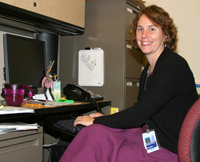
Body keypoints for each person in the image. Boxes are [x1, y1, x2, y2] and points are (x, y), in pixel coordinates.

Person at [59, 5, 199, 162]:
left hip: (169, 148)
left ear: (165, 35)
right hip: (150, 136)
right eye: (140, 29)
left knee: (112, 149)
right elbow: (142, 113)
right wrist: (101, 121)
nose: (144, 35)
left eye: (151, 29)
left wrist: (97, 119)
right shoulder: (148, 70)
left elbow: (138, 115)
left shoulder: (172, 66)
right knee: (97, 132)